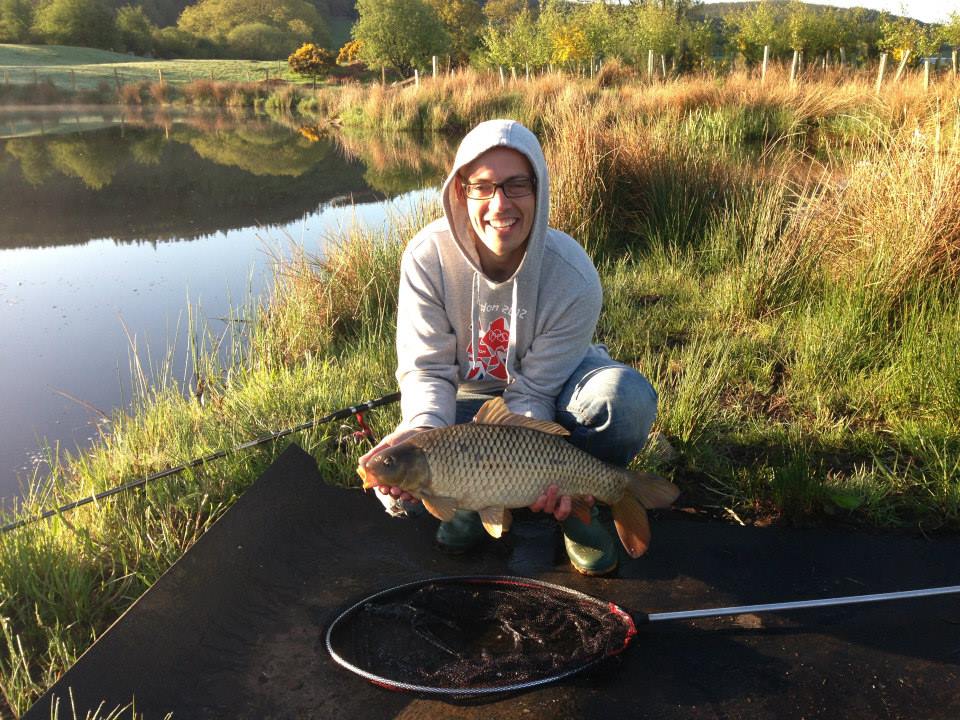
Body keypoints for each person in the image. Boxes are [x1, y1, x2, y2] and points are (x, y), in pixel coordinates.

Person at [358, 119, 658, 576]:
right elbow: (428, 373)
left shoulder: (573, 275)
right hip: (461, 407)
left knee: (625, 399)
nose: (500, 204)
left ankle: (583, 506)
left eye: (517, 185)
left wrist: (540, 468)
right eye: (483, 187)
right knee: (411, 488)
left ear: (540, 190)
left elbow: (534, 393)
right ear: (461, 192)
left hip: (553, 393)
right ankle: (476, 511)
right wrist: (419, 431)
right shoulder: (427, 257)